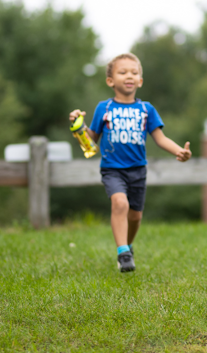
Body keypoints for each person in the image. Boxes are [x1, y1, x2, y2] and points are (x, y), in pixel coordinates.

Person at [69, 53, 191, 273]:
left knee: (135, 216)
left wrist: (179, 151)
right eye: (123, 72)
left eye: (134, 72)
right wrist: (79, 126)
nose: (129, 76)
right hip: (112, 170)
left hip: (137, 170)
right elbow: (90, 140)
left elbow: (160, 138)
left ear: (140, 81)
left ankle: (128, 245)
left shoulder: (146, 110)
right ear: (110, 81)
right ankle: (123, 252)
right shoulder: (103, 109)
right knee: (120, 204)